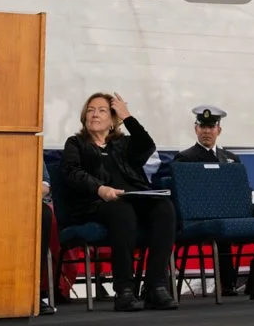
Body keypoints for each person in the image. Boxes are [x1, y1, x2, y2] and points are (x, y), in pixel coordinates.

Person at [54, 92, 175, 312]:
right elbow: (71, 173)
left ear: (112, 120)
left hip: (132, 197)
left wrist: (127, 116)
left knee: (164, 208)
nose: (94, 114)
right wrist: (100, 189)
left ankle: (156, 286)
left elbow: (147, 146)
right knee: (122, 210)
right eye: (90, 110)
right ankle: (124, 290)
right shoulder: (76, 143)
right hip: (94, 203)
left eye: (101, 110)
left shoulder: (123, 144)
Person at [173, 104, 254, 297]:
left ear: (219, 130)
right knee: (220, 221)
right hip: (203, 214)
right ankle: (227, 283)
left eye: (211, 127)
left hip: (235, 209)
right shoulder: (185, 158)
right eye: (202, 127)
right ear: (196, 129)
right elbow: (186, 194)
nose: (207, 131)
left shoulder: (231, 159)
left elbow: (243, 189)